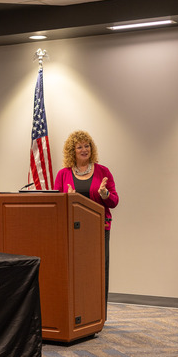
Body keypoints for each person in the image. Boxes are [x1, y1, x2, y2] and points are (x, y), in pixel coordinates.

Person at [54, 130, 119, 304]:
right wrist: (68, 198)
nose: (84, 149)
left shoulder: (103, 171)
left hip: (98, 228)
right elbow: (56, 203)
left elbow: (114, 201)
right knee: (75, 271)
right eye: (79, 147)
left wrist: (105, 194)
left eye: (87, 145)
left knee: (98, 272)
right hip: (72, 229)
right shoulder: (63, 174)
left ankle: (97, 316)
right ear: (72, 151)